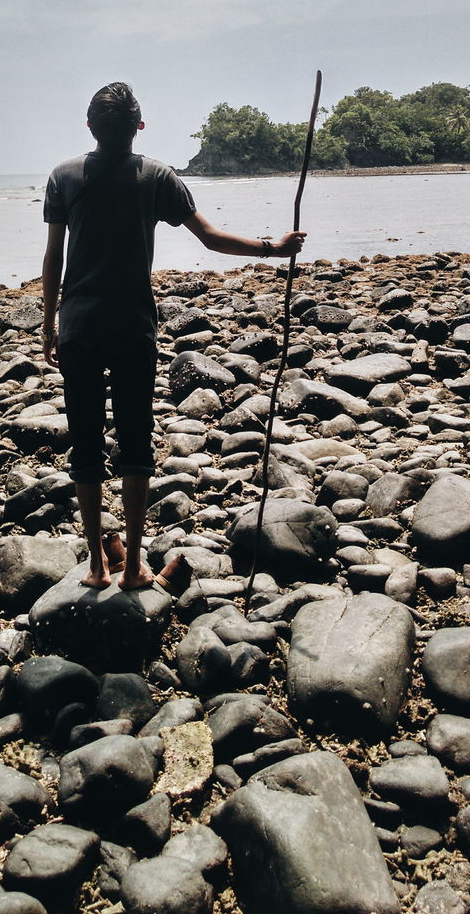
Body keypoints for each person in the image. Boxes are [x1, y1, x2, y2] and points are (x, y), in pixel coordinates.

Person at [41, 82, 305, 591]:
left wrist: (48, 322)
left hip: (79, 328)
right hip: (133, 328)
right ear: (139, 126)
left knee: (87, 445)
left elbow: (53, 258)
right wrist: (272, 248)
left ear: (90, 126)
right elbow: (210, 237)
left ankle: (97, 565)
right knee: (136, 444)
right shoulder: (157, 177)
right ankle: (135, 564)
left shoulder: (63, 177)